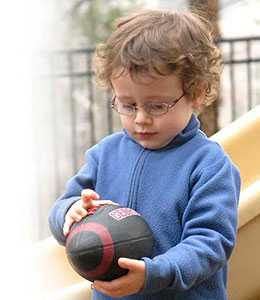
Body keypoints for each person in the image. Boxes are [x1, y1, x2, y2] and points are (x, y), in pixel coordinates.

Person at [48, 9, 241, 300]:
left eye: (156, 106)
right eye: (127, 104)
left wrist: (153, 274)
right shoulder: (105, 155)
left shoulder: (209, 166)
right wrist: (71, 212)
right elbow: (60, 212)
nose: (141, 118)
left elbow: (210, 243)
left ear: (196, 93)